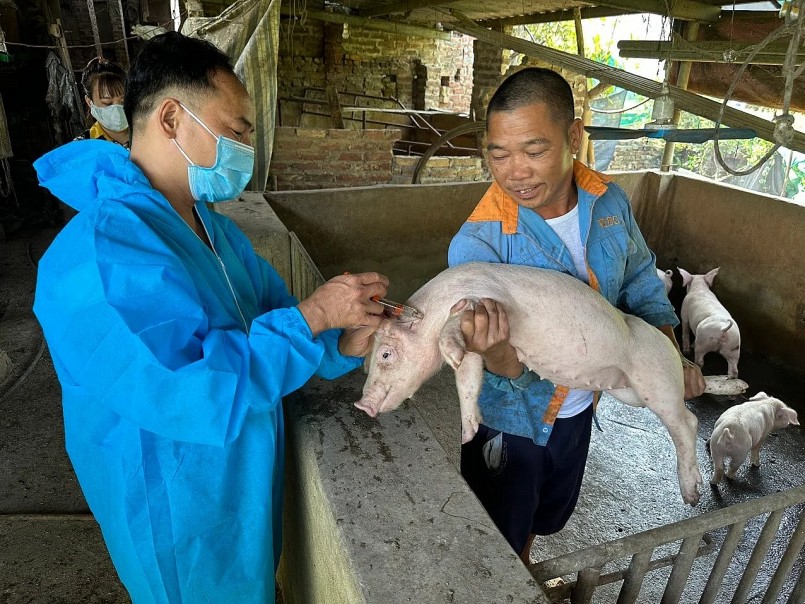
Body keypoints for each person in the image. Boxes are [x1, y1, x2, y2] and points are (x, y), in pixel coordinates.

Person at [33, 32, 388, 602]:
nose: (246, 146)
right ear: (172, 118)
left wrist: (340, 341)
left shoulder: (214, 230)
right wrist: (316, 312)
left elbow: (275, 319)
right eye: (237, 129)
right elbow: (193, 388)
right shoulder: (99, 256)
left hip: (237, 497)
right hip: (178, 514)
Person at [448, 67, 706, 565]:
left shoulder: (608, 202)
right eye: (497, 154)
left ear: (573, 136)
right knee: (496, 531)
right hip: (511, 418)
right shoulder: (477, 245)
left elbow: (640, 285)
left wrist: (673, 359)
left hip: (582, 406)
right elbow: (487, 361)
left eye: (534, 151)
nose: (514, 171)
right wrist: (496, 351)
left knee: (544, 517)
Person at [77, 56, 130, 147]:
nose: (117, 110)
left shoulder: (148, 131)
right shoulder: (83, 146)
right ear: (90, 102)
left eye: (123, 102)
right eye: (107, 103)